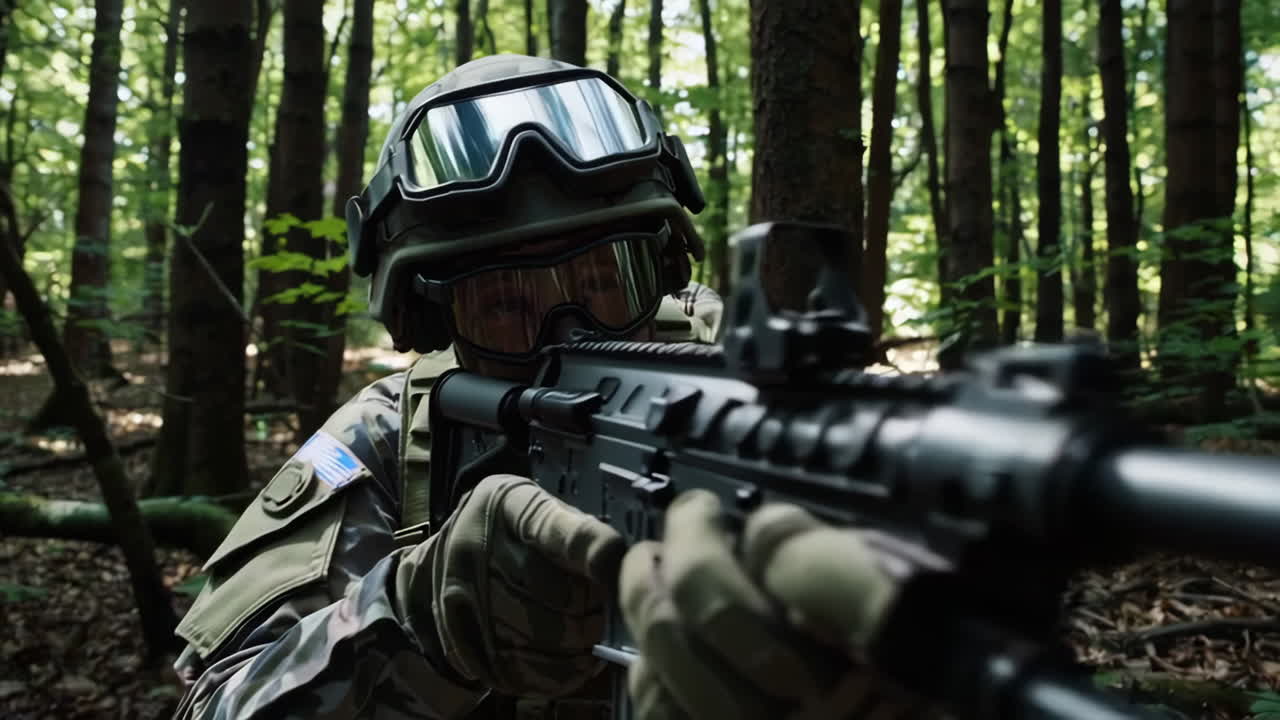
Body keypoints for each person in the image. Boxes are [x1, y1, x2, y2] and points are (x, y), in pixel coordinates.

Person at [172, 55, 910, 720]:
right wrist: (418, 623)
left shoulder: (752, 405)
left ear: (661, 267)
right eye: (505, 303)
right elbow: (213, 702)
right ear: (436, 316)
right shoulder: (395, 442)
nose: (568, 332)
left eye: (605, 279)